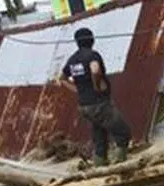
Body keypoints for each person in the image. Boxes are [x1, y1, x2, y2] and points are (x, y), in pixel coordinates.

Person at [57, 28, 132, 167]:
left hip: (84, 105)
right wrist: (96, 85)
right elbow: (95, 69)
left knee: (100, 136)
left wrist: (78, 89)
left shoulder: (73, 60)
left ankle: (100, 164)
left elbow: (62, 78)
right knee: (123, 132)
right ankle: (121, 165)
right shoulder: (92, 55)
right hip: (99, 103)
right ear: (91, 39)